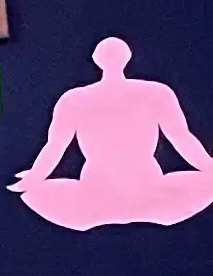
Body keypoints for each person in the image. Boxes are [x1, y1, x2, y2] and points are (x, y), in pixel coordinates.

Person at [11, 36, 213, 230]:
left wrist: (35, 177)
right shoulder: (154, 93)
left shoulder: (76, 99)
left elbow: (55, 146)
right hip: (107, 189)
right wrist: (35, 177)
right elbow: (181, 137)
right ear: (127, 57)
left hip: (141, 188)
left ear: (96, 61)